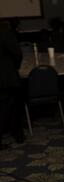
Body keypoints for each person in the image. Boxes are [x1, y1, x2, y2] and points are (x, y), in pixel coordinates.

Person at [0, 20, 23, 150]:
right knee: (10, 106)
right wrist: (13, 67)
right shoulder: (4, 30)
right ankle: (18, 135)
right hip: (5, 77)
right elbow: (17, 53)